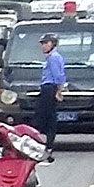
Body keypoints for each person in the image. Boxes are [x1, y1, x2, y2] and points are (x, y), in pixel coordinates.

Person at [34, 31, 65, 159]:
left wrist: (58, 90)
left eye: (46, 43)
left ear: (53, 44)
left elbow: (58, 75)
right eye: (42, 43)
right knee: (48, 116)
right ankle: (47, 144)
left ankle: (46, 144)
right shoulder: (52, 57)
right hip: (49, 87)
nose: (43, 46)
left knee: (44, 116)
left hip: (49, 88)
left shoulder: (53, 57)